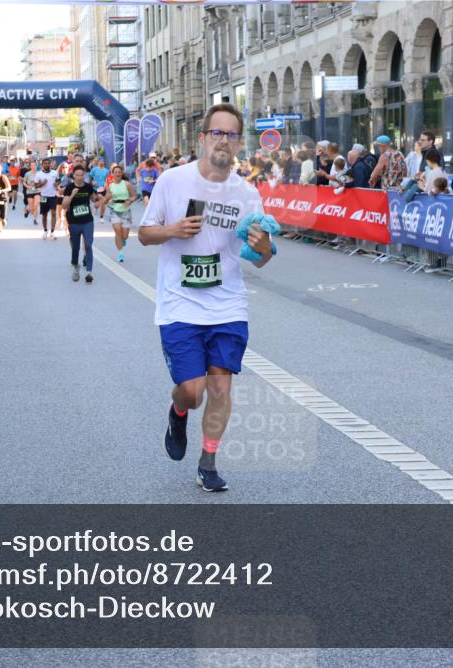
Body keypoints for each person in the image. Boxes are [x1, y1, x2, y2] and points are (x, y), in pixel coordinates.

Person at [138, 103, 274, 493]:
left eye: (231, 135)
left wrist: (263, 246)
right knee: (193, 390)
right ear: (202, 139)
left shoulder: (247, 193)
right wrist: (173, 229)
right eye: (217, 133)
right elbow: (145, 234)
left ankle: (208, 462)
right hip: (180, 302)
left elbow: (262, 258)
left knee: (220, 386)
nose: (224, 141)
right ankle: (178, 409)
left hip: (228, 303)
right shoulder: (172, 181)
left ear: (239, 143)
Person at [60, 165, 100, 283]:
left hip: (87, 220)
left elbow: (94, 199)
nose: (79, 177)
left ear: (84, 175)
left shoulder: (88, 187)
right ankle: (76, 266)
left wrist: (98, 201)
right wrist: (72, 194)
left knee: (88, 245)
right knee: (75, 247)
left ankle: (89, 272)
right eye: (77, 175)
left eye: (82, 175)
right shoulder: (69, 187)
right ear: (73, 176)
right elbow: (64, 205)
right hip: (74, 222)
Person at [103, 164, 138, 262]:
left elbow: (134, 196)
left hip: (126, 210)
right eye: (116, 172)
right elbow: (105, 200)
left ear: (121, 173)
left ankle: (122, 239)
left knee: (125, 236)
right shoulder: (110, 186)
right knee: (117, 230)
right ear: (112, 174)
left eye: (119, 172)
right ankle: (120, 253)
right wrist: (107, 199)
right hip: (114, 210)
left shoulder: (127, 184)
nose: (118, 174)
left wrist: (130, 201)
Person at [36, 158, 60, 239]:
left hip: (53, 196)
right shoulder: (39, 174)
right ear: (42, 165)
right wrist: (42, 183)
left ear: (50, 164)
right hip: (43, 196)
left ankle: (52, 232)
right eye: (45, 163)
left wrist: (56, 185)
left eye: (48, 163)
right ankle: (45, 231)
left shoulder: (55, 173)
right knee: (44, 215)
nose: (46, 165)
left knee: (53, 213)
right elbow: (35, 186)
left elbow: (57, 181)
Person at [22, 159, 41, 224]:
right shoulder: (27, 174)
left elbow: (41, 182)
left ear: (36, 166)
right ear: (30, 167)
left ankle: (35, 220)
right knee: (31, 206)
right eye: (32, 165)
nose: (33, 166)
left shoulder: (39, 173)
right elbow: (24, 182)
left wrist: (38, 185)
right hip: (29, 192)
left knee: (35, 205)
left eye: (34, 165)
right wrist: (28, 186)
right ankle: (28, 210)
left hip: (37, 191)